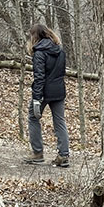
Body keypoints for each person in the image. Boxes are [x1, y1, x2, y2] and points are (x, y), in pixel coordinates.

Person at [23, 23, 69, 167]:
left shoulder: (39, 53)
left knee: (33, 118)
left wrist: (37, 98)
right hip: (59, 91)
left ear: (34, 37)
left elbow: (39, 77)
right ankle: (63, 154)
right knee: (60, 121)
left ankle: (37, 153)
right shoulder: (60, 50)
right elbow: (62, 72)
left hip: (43, 92)